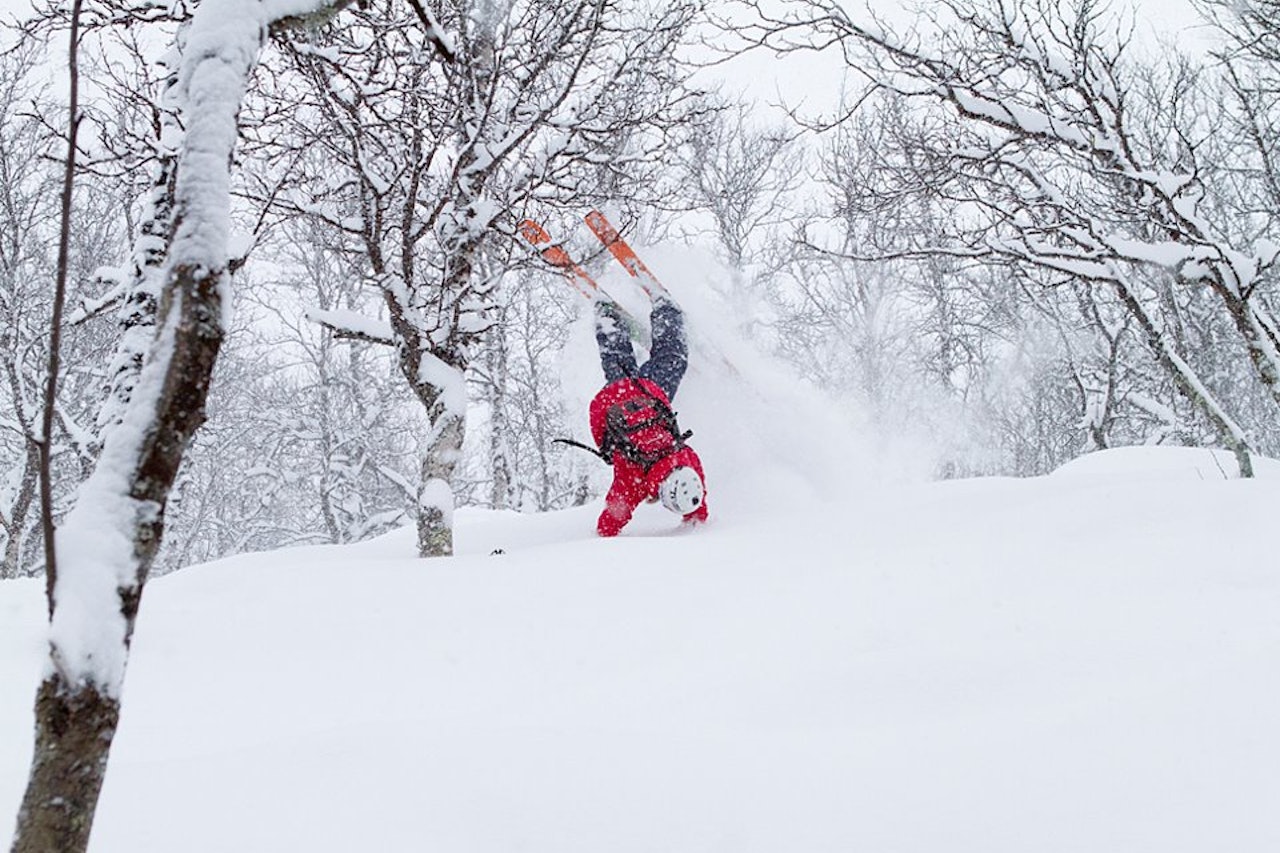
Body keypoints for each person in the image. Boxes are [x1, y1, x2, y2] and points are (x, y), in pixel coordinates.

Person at [588, 295, 708, 537]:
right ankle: (607, 319)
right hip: (614, 403)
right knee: (618, 366)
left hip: (647, 393)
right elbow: (608, 523)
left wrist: (698, 513)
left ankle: (666, 311)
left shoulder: (685, 459)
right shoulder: (635, 483)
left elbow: (697, 490)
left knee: (672, 359)